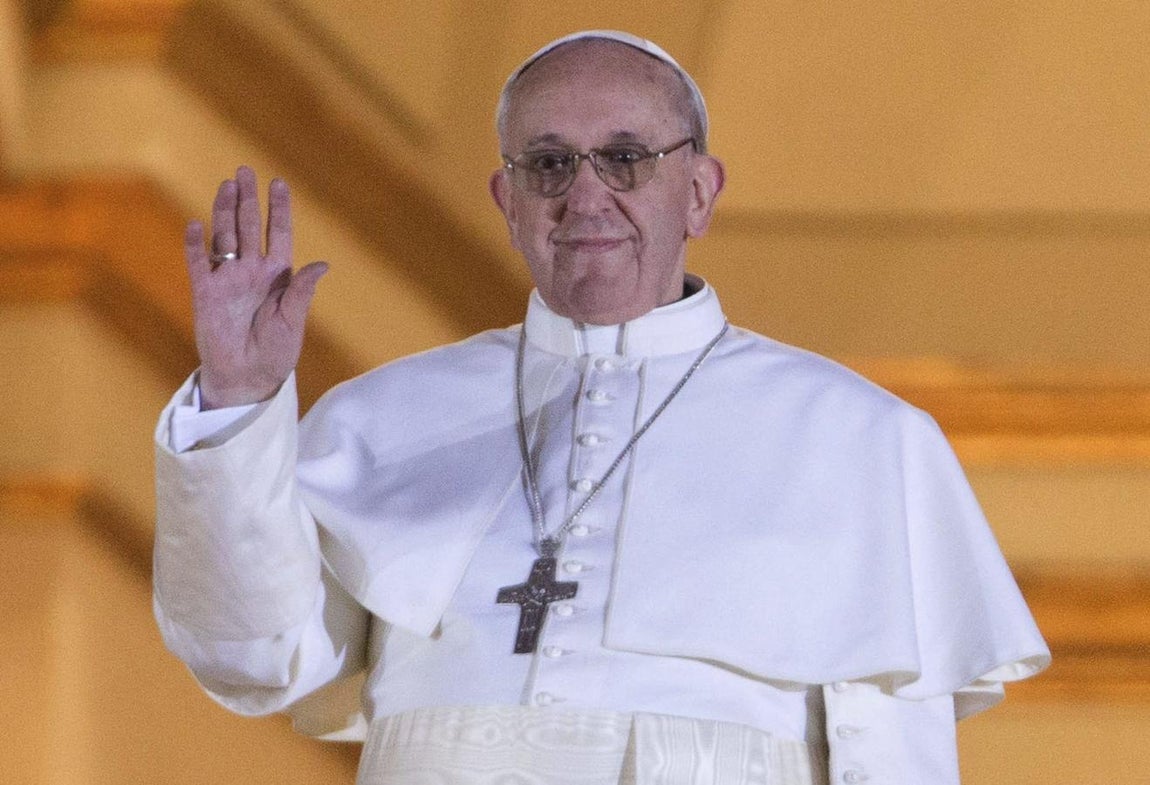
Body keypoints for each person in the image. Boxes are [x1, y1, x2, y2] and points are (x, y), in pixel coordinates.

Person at [154, 30, 1049, 785]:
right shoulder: (383, 417)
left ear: (698, 190)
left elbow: (896, 753)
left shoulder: (861, 439)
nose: (585, 196)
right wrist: (239, 401)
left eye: (626, 158)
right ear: (508, 201)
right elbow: (252, 658)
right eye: (547, 164)